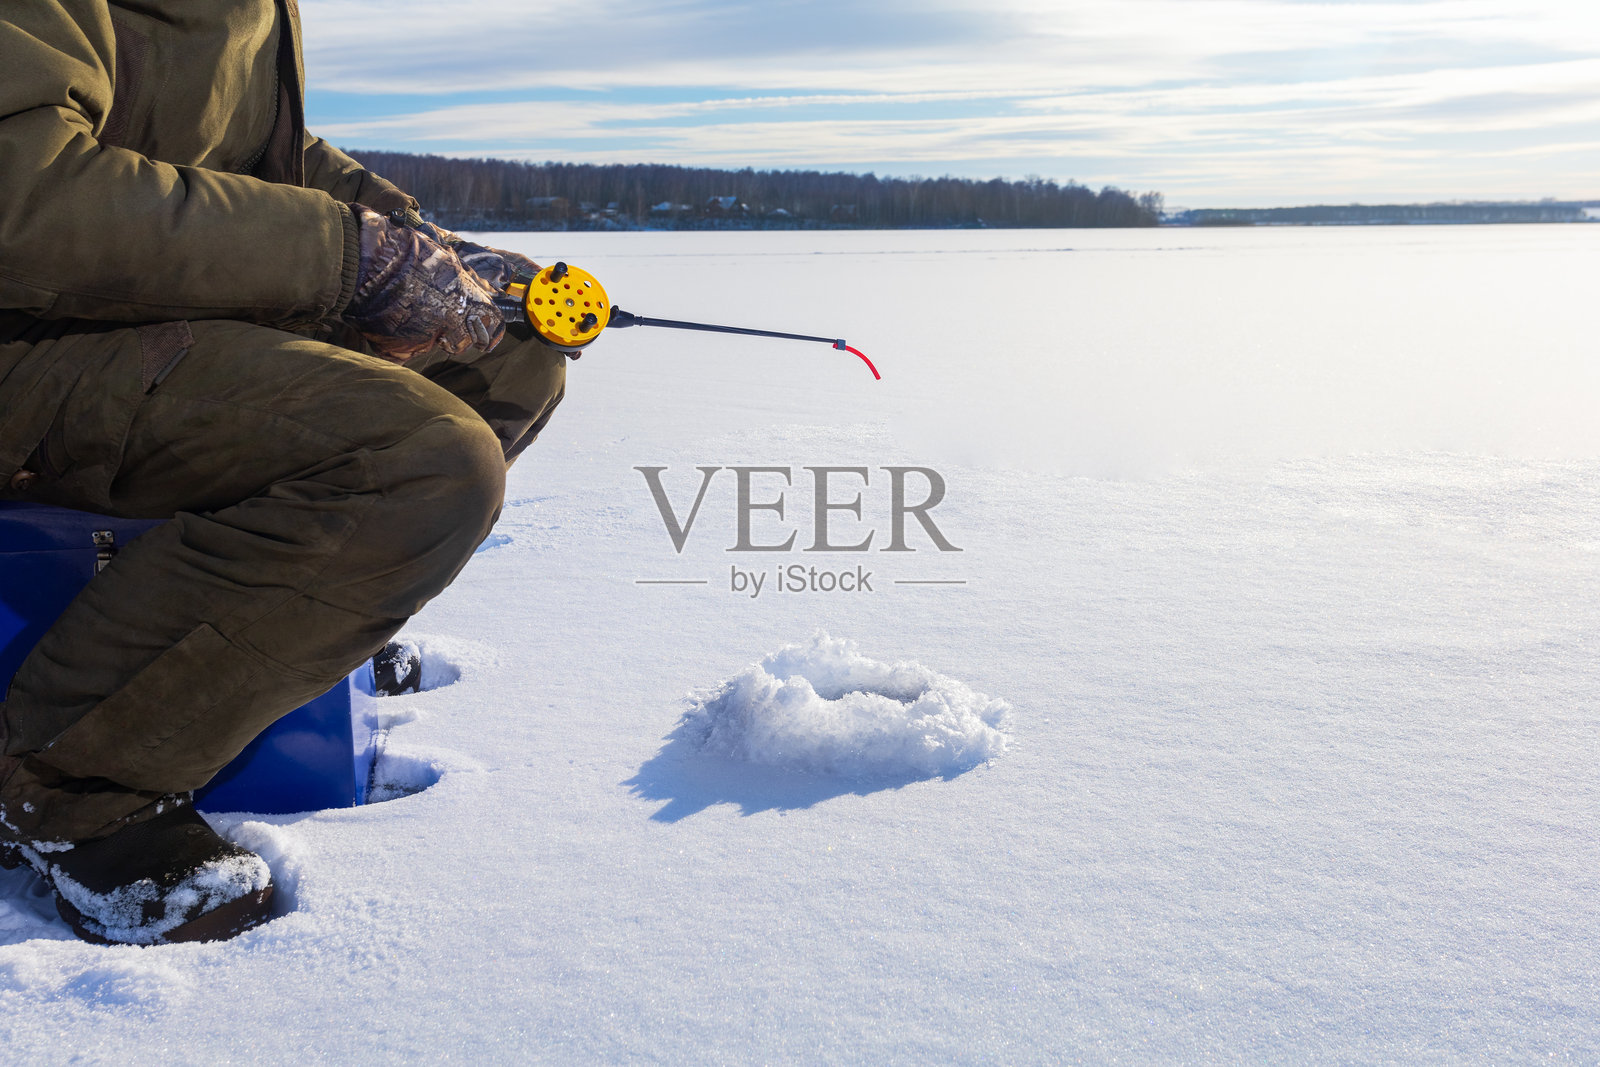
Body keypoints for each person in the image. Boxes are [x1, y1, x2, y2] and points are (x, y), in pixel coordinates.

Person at [0, 2, 569, 944]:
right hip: (27, 346)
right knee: (420, 462)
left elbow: (271, 154)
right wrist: (346, 257)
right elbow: (23, 190)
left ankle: (281, 628)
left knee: (506, 358)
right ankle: (66, 785)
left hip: (133, 316)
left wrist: (422, 247)